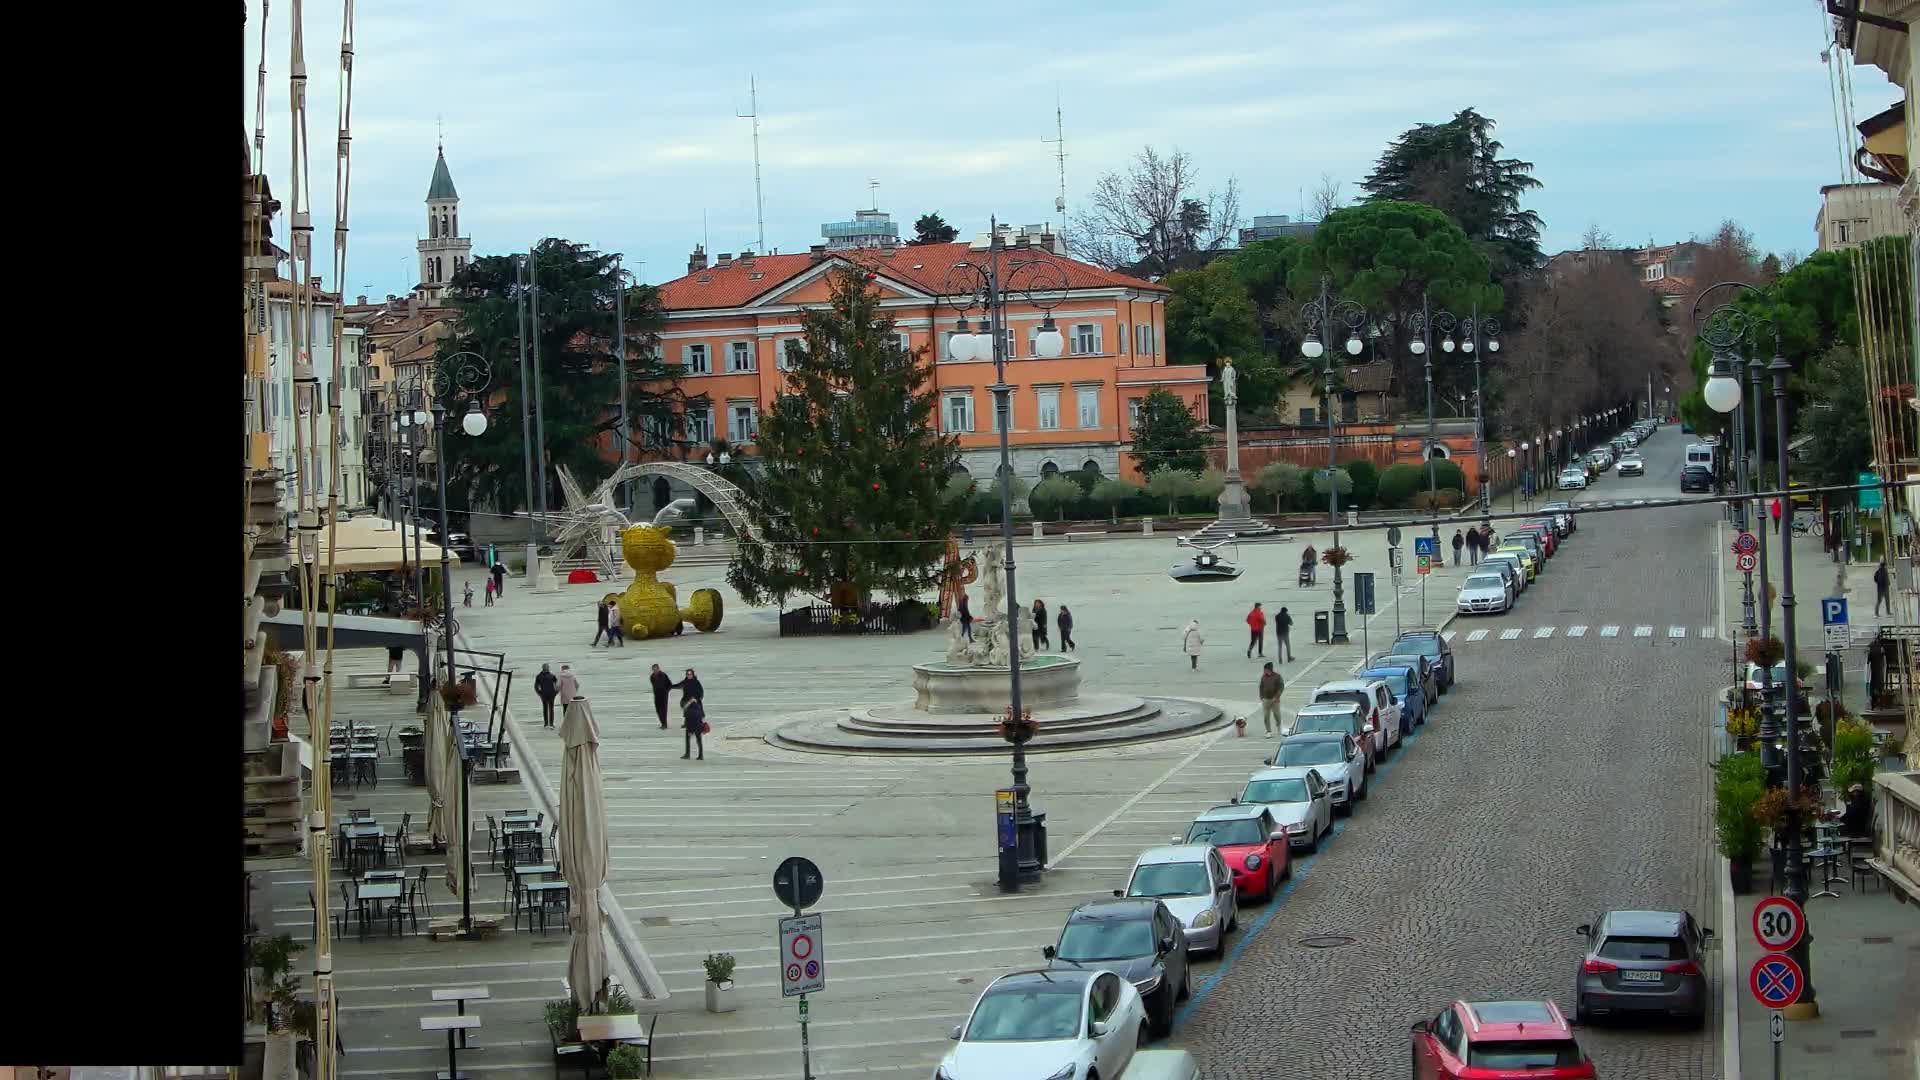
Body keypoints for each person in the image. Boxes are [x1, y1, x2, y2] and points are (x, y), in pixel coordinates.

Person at [1258, 662, 1284, 734]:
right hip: (1266, 699)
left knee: (1277, 715)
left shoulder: (1277, 676)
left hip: (1275, 699)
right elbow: (1261, 686)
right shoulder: (1263, 677)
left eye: (1265, 669)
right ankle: (1268, 730)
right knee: (1266, 716)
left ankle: (1278, 726)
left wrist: (1277, 696)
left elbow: (1281, 687)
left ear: (1269, 669)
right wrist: (1261, 696)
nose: (1264, 671)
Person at [533, 663, 559, 728]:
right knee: (548, 709)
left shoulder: (550, 676)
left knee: (548, 709)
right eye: (546, 667)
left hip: (548, 694)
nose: (547, 668)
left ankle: (549, 723)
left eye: (547, 667)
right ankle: (548, 723)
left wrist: (555, 693)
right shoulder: (541, 676)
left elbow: (557, 685)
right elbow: (536, 686)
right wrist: (540, 693)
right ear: (544, 668)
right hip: (546, 694)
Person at [681, 695, 707, 760]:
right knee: (699, 741)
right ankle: (701, 756)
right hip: (699, 727)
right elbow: (703, 717)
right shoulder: (699, 709)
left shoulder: (688, 710)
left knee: (688, 741)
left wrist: (690, 730)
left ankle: (687, 754)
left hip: (690, 728)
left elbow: (687, 720)